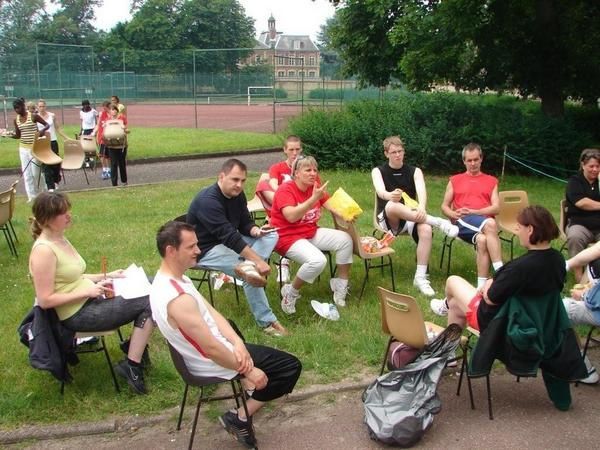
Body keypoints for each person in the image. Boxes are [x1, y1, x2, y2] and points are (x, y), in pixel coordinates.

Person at [150, 221, 301, 449]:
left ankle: (247, 388)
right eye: (191, 247)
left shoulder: (174, 278)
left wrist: (237, 342)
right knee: (290, 366)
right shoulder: (177, 299)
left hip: (214, 351)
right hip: (211, 360)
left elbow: (211, 312)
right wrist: (249, 370)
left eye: (197, 245)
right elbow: (210, 349)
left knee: (232, 328)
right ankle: (239, 416)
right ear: (171, 250)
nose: (198, 251)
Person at [28, 191, 154, 394]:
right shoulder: (44, 251)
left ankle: (134, 346)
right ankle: (132, 364)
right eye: (63, 213)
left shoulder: (60, 239)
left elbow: (73, 276)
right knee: (151, 299)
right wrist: (87, 292)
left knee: (152, 283)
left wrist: (108, 276)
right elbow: (45, 300)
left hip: (88, 299)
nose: (69, 215)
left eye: (68, 210)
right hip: (77, 315)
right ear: (47, 219)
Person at [187, 158, 287, 336]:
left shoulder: (237, 194)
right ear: (221, 176)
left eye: (242, 180)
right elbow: (229, 236)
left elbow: (243, 223)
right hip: (205, 249)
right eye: (234, 179)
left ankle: (251, 273)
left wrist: (256, 231)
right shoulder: (208, 200)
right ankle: (267, 322)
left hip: (228, 242)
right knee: (249, 268)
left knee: (271, 234)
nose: (239, 185)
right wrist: (257, 261)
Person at [372, 136, 459, 297]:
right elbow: (380, 191)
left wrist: (422, 207)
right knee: (392, 205)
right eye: (393, 152)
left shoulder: (415, 171)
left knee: (425, 229)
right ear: (386, 154)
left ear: (404, 151)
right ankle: (439, 222)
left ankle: (420, 278)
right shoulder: (378, 171)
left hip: (410, 216)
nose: (397, 155)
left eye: (400, 151)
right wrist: (390, 195)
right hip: (388, 218)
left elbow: (421, 191)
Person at [270, 155, 353, 313]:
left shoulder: (315, 187)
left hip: (309, 233)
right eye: (308, 170)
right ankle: (291, 292)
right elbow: (291, 216)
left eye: (315, 170)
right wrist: (312, 199)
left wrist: (347, 213)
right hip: (286, 237)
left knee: (345, 240)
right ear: (296, 173)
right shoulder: (285, 190)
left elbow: (331, 206)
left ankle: (340, 284)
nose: (313, 173)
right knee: (318, 261)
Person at [441, 142, 503, 288]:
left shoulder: (491, 181)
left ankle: (481, 287)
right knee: (491, 224)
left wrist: (475, 211)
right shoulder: (455, 180)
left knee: (482, 240)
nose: (473, 163)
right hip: (462, 221)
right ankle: (501, 272)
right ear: (464, 161)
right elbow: (444, 206)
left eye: (476, 159)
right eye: (469, 160)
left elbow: (496, 208)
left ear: (481, 159)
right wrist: (453, 214)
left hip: (482, 224)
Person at [255, 135, 307, 282]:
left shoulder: (307, 169)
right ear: (285, 150)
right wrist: (287, 199)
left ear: (301, 149)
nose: (295, 153)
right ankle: (279, 262)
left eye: (297, 149)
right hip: (282, 205)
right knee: (266, 190)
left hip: (299, 212)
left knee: (279, 222)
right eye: (291, 149)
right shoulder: (277, 168)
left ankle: (283, 261)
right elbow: (273, 185)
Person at [564, 148, 600, 281]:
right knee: (575, 237)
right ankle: (579, 277)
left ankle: (595, 275)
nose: (595, 169)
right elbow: (581, 203)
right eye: (591, 166)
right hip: (579, 223)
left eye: (598, 166)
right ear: (583, 165)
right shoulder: (575, 181)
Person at [11, 97, 49, 202]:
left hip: (34, 148)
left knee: (35, 173)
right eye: (15, 109)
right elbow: (18, 135)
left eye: (18, 108)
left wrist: (41, 132)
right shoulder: (16, 120)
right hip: (23, 148)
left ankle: (44, 188)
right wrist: (9, 135)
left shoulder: (33, 116)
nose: (17, 110)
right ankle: (31, 197)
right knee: (26, 174)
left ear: (23, 106)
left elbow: (47, 125)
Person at [37, 99, 69, 192]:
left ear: (45, 106)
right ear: (37, 107)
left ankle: (56, 179)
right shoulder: (36, 117)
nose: (41, 108)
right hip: (42, 142)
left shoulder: (52, 116)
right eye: (40, 106)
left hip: (53, 142)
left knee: (55, 162)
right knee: (46, 164)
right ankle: (50, 186)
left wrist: (66, 138)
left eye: (43, 106)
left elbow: (58, 128)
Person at [105, 104, 129, 187]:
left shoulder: (122, 118)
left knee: (122, 163)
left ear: (117, 111)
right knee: (113, 164)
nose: (113, 111)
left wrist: (124, 129)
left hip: (121, 145)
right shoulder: (107, 120)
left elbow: (126, 129)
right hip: (111, 145)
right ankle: (114, 183)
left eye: (115, 109)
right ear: (110, 111)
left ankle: (124, 181)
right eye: (112, 109)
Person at [92, 100, 112, 180]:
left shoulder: (112, 114)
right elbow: (98, 124)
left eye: (107, 107)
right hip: (101, 137)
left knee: (108, 156)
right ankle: (104, 169)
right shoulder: (101, 114)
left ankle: (109, 170)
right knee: (101, 155)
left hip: (109, 137)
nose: (105, 109)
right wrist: (94, 132)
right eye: (105, 107)